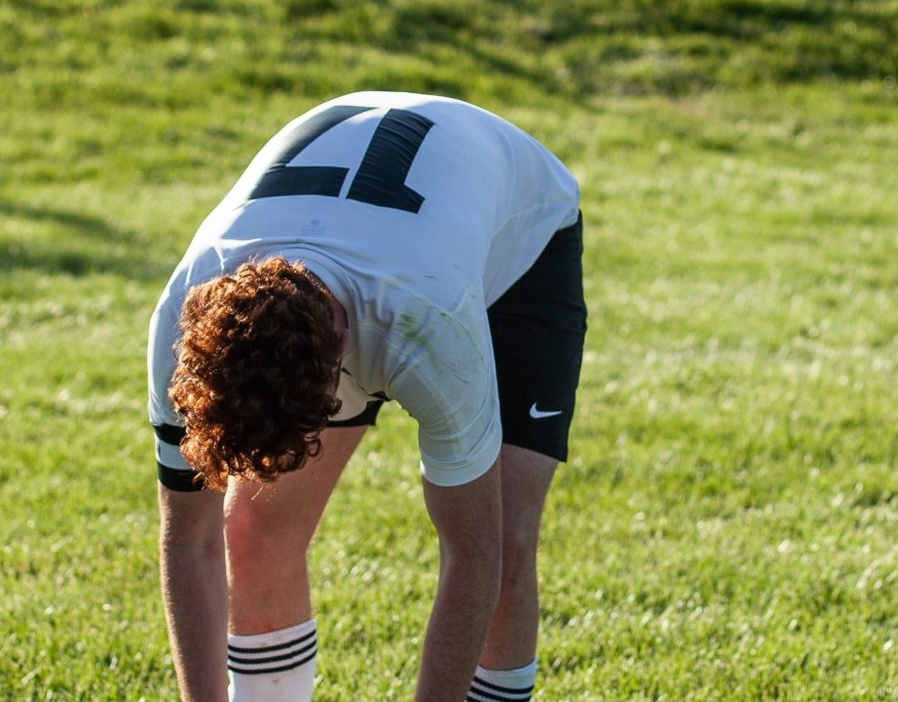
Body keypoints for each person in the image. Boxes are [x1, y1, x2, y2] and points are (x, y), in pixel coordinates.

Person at [147, 91, 586, 702]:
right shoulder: (183, 319)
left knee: (504, 537)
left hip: (520, 239)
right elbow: (191, 540)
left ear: (343, 362)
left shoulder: (429, 328)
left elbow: (472, 556)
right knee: (249, 523)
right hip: (376, 231)